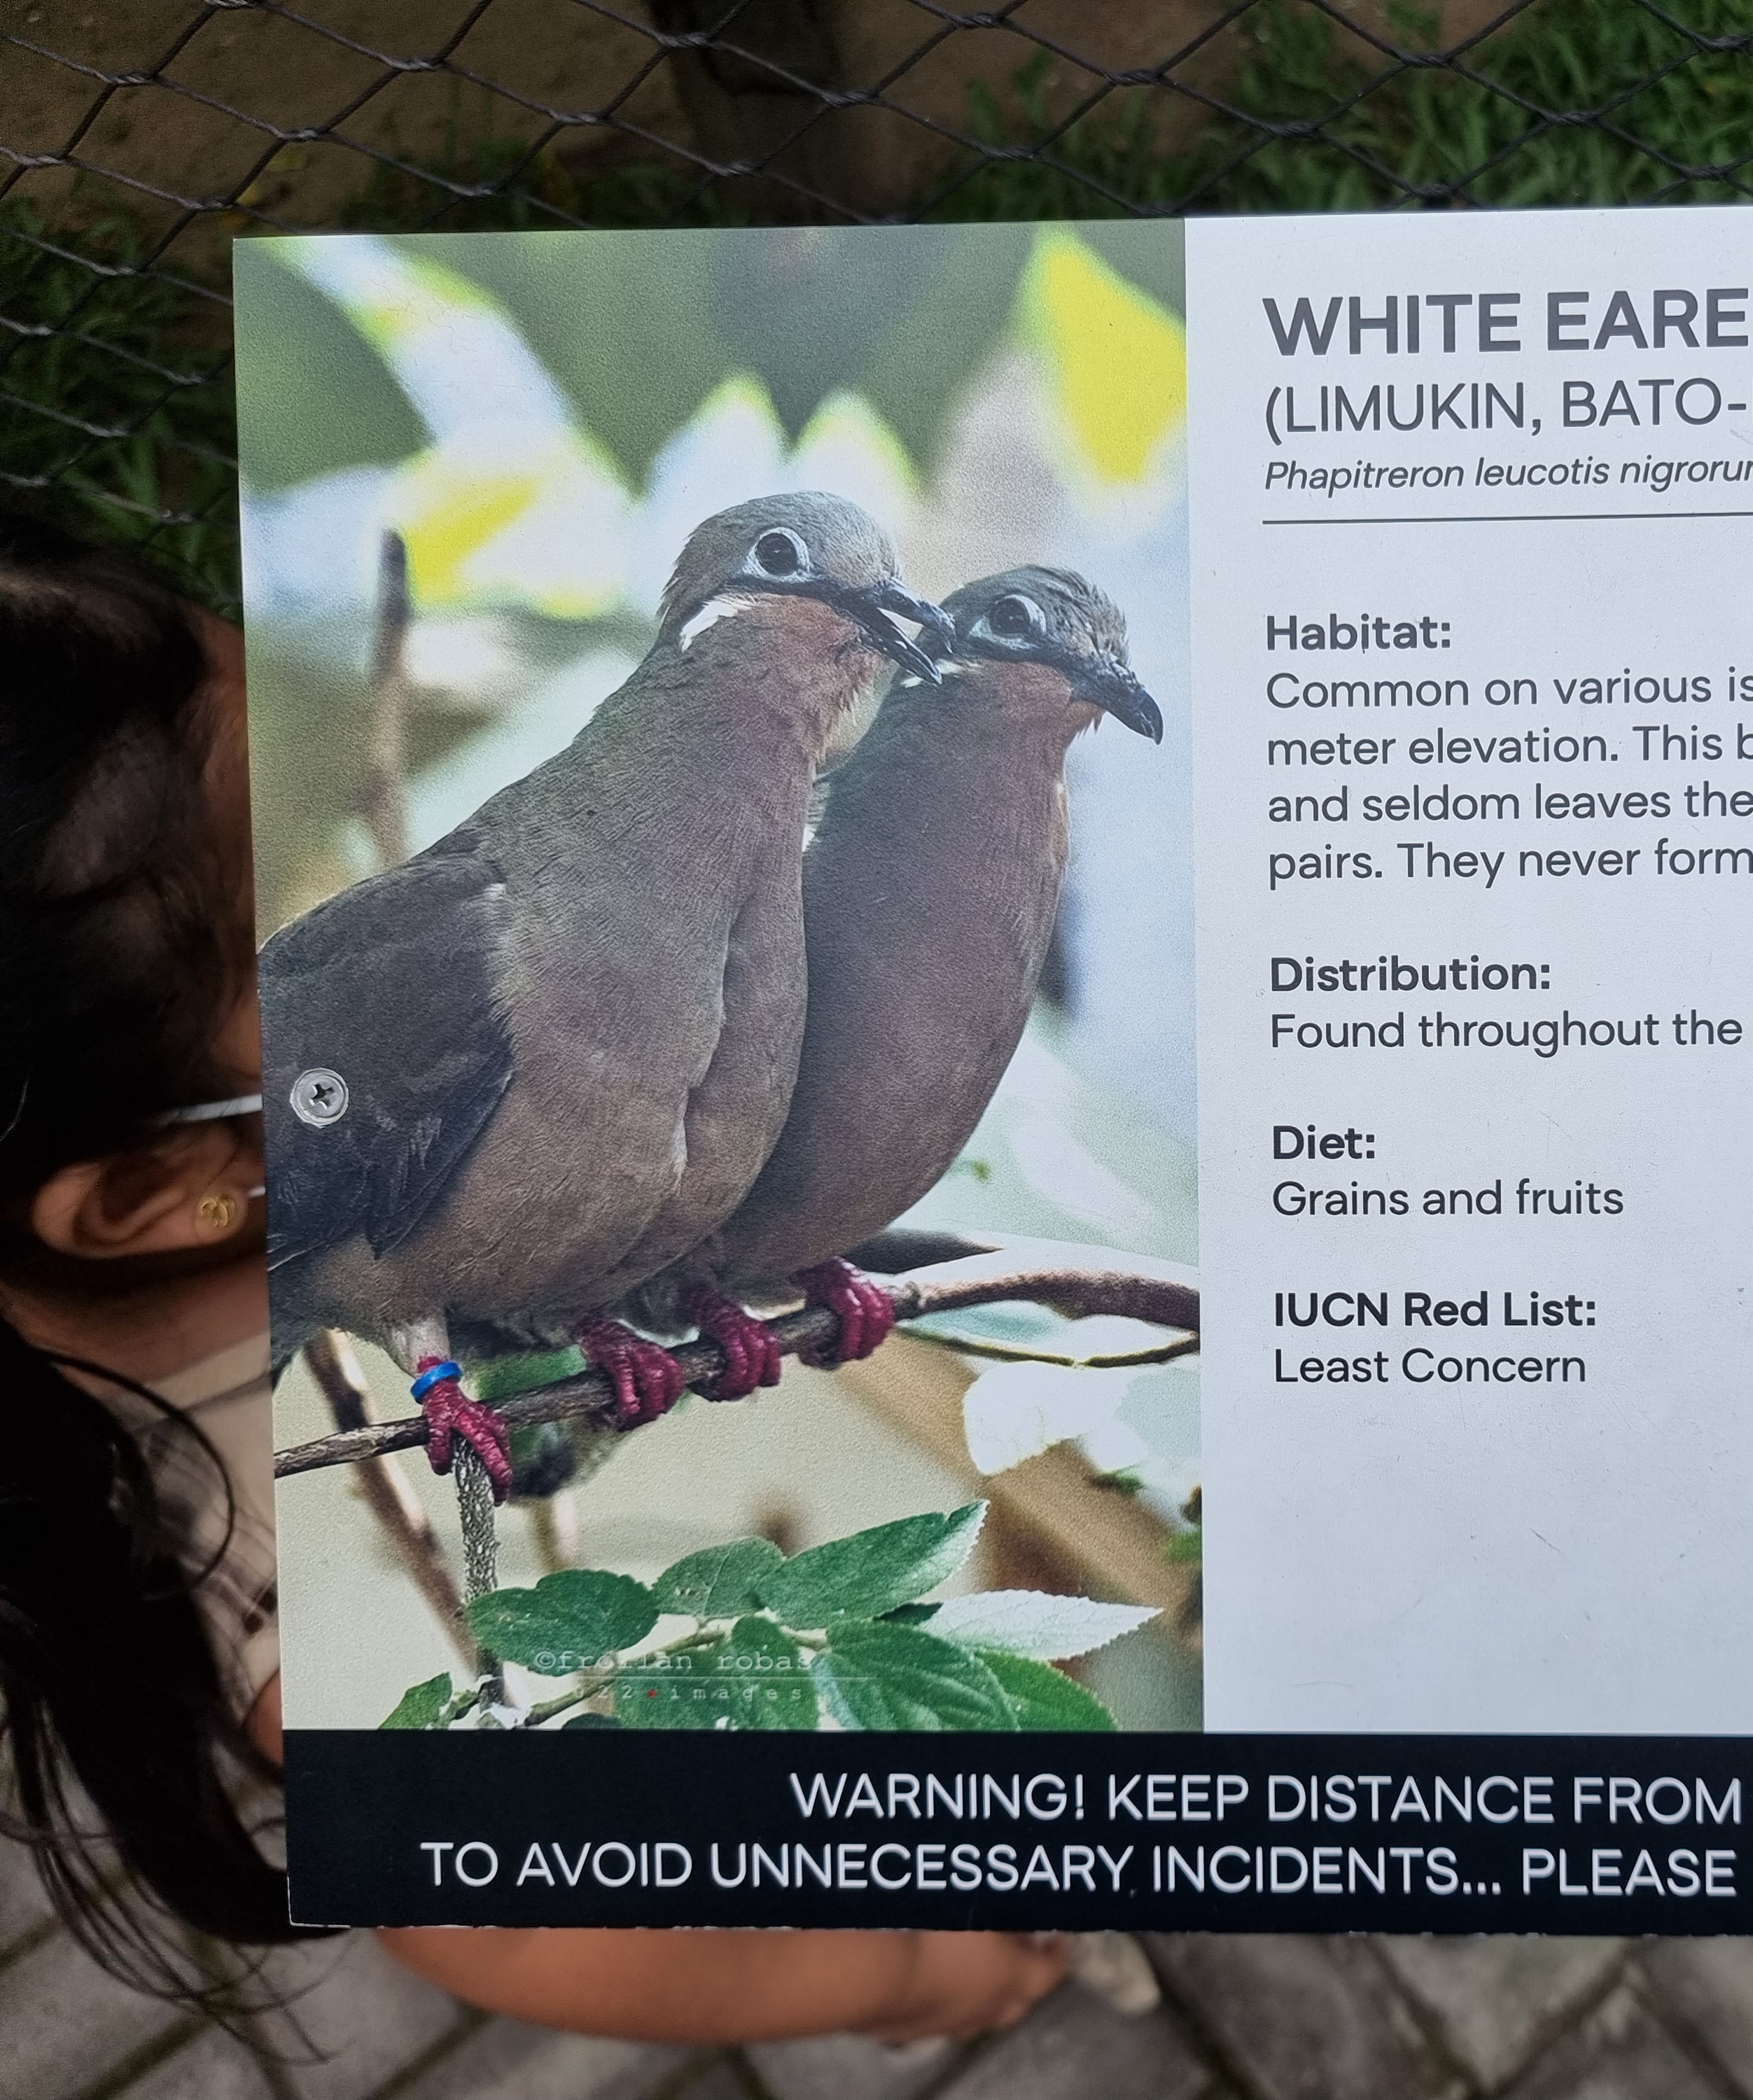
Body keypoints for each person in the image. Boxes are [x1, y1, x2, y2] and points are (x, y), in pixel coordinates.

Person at [0, 512, 1068, 2040]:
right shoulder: (263, 1608)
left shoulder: (710, 896)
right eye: (263, 901)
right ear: (156, 1194)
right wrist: (914, 1973)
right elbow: (504, 1939)